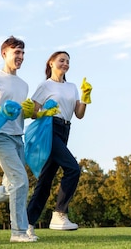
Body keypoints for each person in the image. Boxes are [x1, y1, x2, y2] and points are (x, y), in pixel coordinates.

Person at [0, 36, 36, 243]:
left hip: (18, 138)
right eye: (16, 52)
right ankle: (19, 232)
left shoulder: (23, 85)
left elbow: (21, 113)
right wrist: (0, 109)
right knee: (20, 181)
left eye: (22, 53)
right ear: (4, 54)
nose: (20, 57)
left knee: (11, 188)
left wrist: (29, 112)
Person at [26, 51, 92, 236]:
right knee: (73, 169)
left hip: (65, 129)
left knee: (45, 180)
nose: (65, 64)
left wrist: (85, 96)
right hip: (49, 129)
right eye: (61, 60)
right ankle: (59, 214)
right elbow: (33, 112)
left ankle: (27, 224)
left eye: (68, 61)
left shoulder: (71, 87)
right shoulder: (44, 86)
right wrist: (45, 113)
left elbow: (78, 114)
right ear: (51, 63)